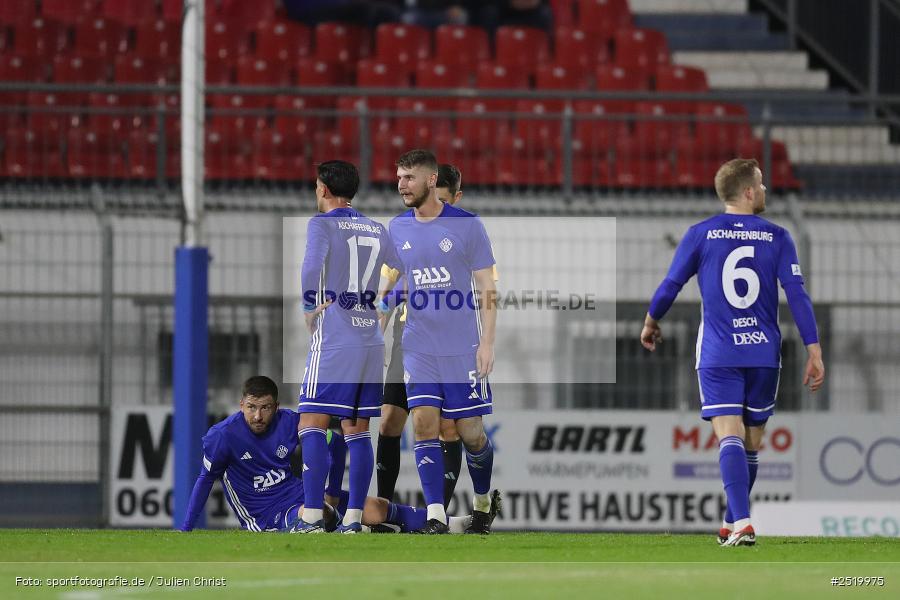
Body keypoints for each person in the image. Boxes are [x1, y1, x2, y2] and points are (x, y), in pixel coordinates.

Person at [640, 158, 824, 547]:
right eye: (761, 183)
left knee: (731, 437)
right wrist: (814, 349)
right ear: (748, 191)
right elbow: (798, 296)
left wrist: (651, 320)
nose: (765, 189)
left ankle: (736, 521)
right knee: (751, 441)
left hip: (719, 351)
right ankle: (737, 522)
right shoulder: (778, 236)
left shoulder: (700, 234)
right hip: (763, 353)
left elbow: (671, 283)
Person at [179, 376, 497, 533]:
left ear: (275, 407)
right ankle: (346, 523)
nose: (258, 416)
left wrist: (331, 493)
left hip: (303, 493)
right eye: (251, 408)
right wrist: (186, 530)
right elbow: (205, 479)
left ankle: (462, 525)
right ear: (241, 405)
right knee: (308, 517)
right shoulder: (222, 436)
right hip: (267, 515)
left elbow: (335, 438)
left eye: (264, 408)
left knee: (377, 506)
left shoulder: (291, 422)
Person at [382, 149, 499, 534]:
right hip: (418, 346)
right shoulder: (397, 228)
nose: (401, 184)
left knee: (470, 434)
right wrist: (373, 332)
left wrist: (487, 344)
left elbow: (486, 288)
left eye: (408, 177)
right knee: (424, 422)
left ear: (431, 181)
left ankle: (482, 503)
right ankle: (435, 513)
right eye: (399, 177)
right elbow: (391, 285)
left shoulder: (468, 226)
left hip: (463, 348)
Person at [294, 160, 400, 534]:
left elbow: (311, 267)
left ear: (322, 188)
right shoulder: (377, 228)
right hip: (370, 339)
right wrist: (384, 305)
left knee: (311, 422)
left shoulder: (321, 224)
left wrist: (309, 306)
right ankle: (353, 519)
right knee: (357, 430)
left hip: (336, 338)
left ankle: (309, 517)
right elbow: (407, 271)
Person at [376, 164, 467, 510]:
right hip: (407, 338)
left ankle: (437, 513)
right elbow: (388, 289)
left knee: (447, 428)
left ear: (455, 198)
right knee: (388, 421)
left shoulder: (463, 233)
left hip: (447, 343)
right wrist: (376, 333)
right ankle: (383, 505)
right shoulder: (405, 230)